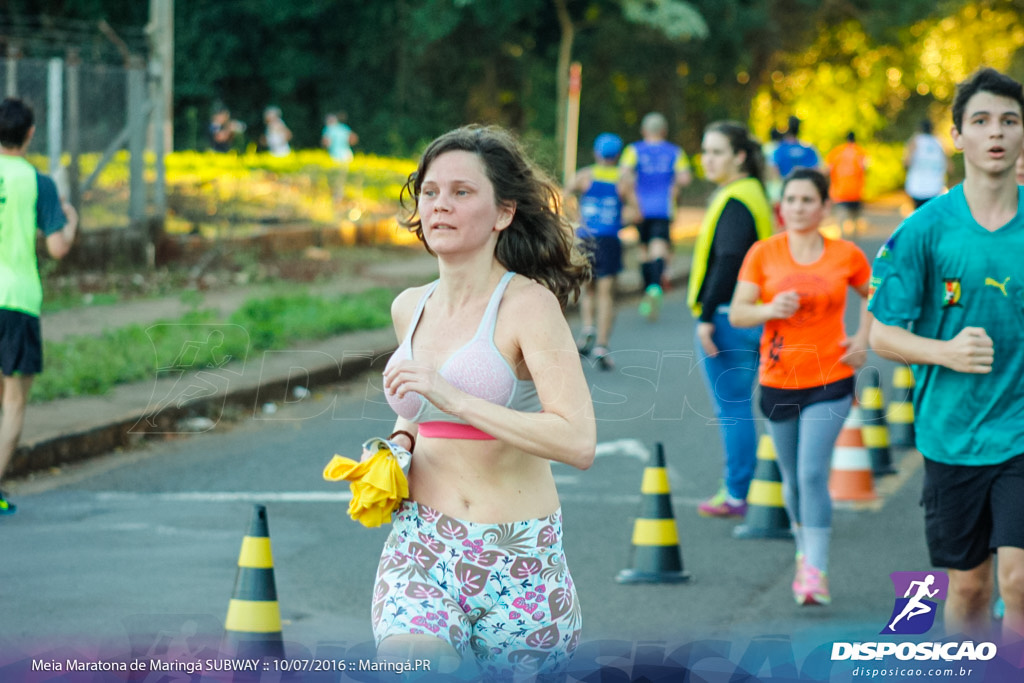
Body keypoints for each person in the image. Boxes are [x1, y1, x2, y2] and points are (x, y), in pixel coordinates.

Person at [373, 125, 596, 678]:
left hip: (518, 554)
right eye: (429, 192)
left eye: (461, 192)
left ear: (503, 213)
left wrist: (455, 399)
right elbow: (415, 406)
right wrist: (395, 445)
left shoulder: (528, 306)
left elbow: (577, 440)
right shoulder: (409, 306)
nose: (439, 205)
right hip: (421, 544)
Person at [868, 67, 1024, 642]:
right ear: (956, 136)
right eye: (980, 121)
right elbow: (882, 335)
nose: (996, 133)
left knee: (1019, 578)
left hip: (1022, 432)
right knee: (969, 587)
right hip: (951, 433)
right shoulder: (925, 229)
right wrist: (946, 351)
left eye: (1009, 121)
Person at [729, 167, 872, 606]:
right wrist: (770, 306)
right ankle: (803, 549)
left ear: (825, 207)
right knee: (791, 478)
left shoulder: (845, 254)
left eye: (807, 200)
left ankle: (816, 569)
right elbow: (738, 313)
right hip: (778, 380)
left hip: (830, 377)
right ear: (781, 207)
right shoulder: (763, 253)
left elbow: (877, 296)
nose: (797, 208)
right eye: (790, 200)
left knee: (812, 472)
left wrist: (863, 341)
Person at [687, 121, 773, 520]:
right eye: (706, 150)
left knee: (733, 408)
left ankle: (737, 492)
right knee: (746, 405)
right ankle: (759, 488)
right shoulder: (750, 193)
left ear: (740, 156)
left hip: (726, 316)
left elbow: (728, 258)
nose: (708, 159)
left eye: (718, 151)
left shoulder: (737, 198)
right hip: (745, 313)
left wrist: (706, 316)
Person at [0, 97, 78, 514]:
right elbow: (58, 247)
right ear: (29, 135)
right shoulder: (38, 182)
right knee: (13, 401)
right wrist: (71, 217)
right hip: (16, 300)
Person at [566, 132, 637, 370]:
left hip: (585, 237)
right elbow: (637, 212)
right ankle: (602, 347)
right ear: (617, 155)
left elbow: (564, 197)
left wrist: (578, 218)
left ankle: (587, 328)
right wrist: (619, 222)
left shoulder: (585, 175)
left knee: (589, 287)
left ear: (597, 153)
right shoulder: (623, 179)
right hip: (608, 239)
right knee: (607, 294)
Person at [619, 112, 692, 320]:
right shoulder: (674, 152)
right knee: (658, 247)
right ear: (664, 131)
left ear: (644, 131)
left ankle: (647, 290)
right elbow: (685, 178)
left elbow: (623, 177)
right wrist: (674, 183)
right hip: (663, 208)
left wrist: (630, 199)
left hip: (640, 208)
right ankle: (654, 287)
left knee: (643, 250)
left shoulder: (633, 151)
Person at [825, 131, 869, 238]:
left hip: (840, 192)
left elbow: (827, 170)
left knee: (841, 223)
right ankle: (853, 246)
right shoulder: (860, 151)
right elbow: (866, 168)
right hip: (856, 192)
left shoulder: (837, 151)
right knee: (854, 222)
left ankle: (842, 246)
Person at [903, 119, 950, 209]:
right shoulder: (940, 142)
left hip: (917, 188)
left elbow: (906, 162)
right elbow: (949, 167)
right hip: (936, 188)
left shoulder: (914, 141)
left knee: (919, 217)